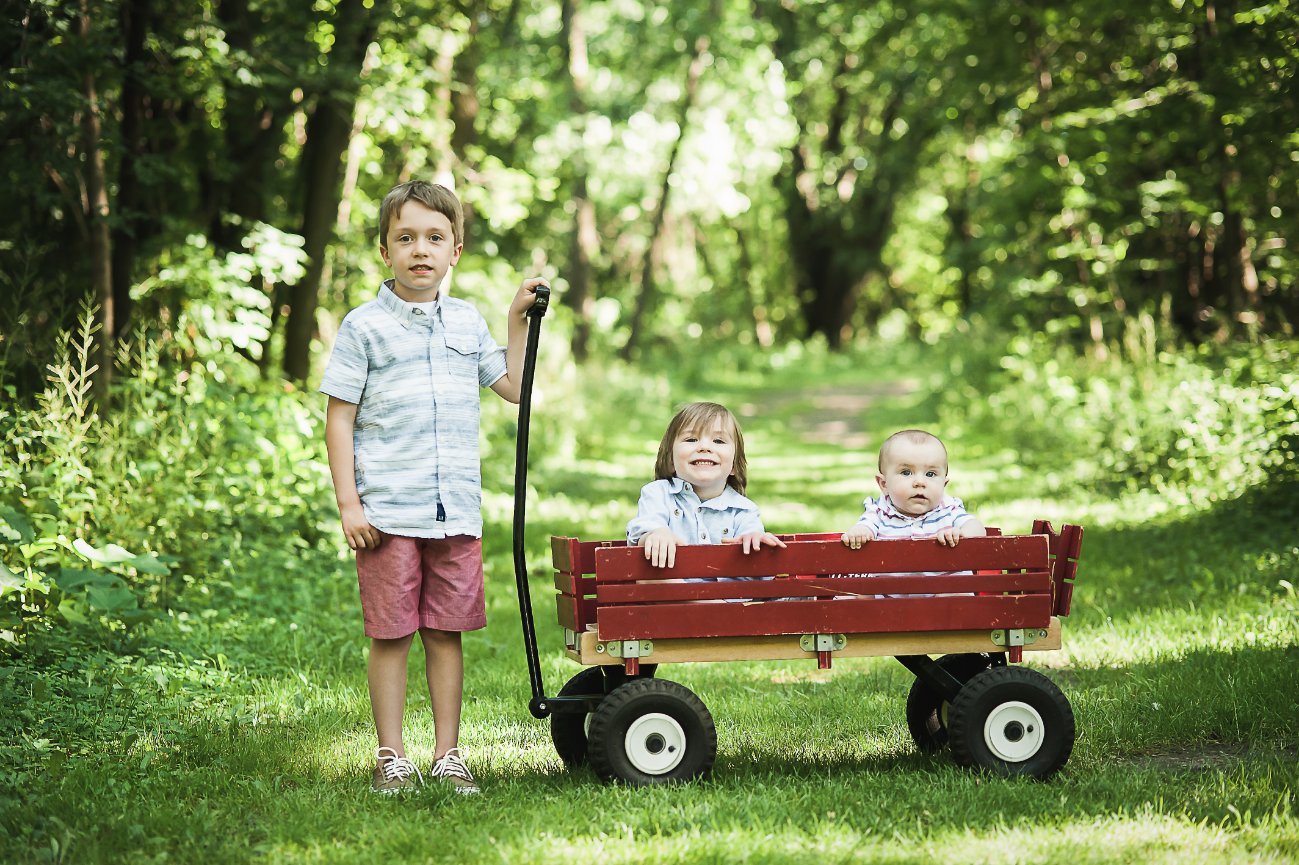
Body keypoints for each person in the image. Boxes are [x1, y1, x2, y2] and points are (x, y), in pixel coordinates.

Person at [321, 179, 549, 795]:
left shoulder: (467, 322)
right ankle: (391, 755)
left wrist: (516, 321)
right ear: (385, 250)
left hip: (454, 512)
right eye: (405, 238)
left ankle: (448, 754)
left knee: (446, 632)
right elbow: (339, 417)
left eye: (434, 238)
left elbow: (514, 388)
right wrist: (349, 503)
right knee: (391, 634)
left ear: (455, 251)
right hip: (388, 512)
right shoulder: (364, 327)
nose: (420, 249)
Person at [627, 402, 786, 570]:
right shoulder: (657, 494)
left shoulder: (744, 511)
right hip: (668, 584)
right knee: (650, 574)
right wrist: (655, 534)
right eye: (691, 439)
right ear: (671, 460)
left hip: (727, 586)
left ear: (734, 465)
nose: (704, 447)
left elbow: (759, 572)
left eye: (718, 440)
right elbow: (641, 533)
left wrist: (755, 543)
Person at [842, 429, 986, 549]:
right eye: (906, 472)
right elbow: (864, 528)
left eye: (930, 474)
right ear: (884, 484)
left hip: (947, 576)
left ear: (943, 484)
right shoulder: (878, 512)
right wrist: (860, 533)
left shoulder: (949, 509)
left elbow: (977, 529)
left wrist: (961, 534)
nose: (919, 482)